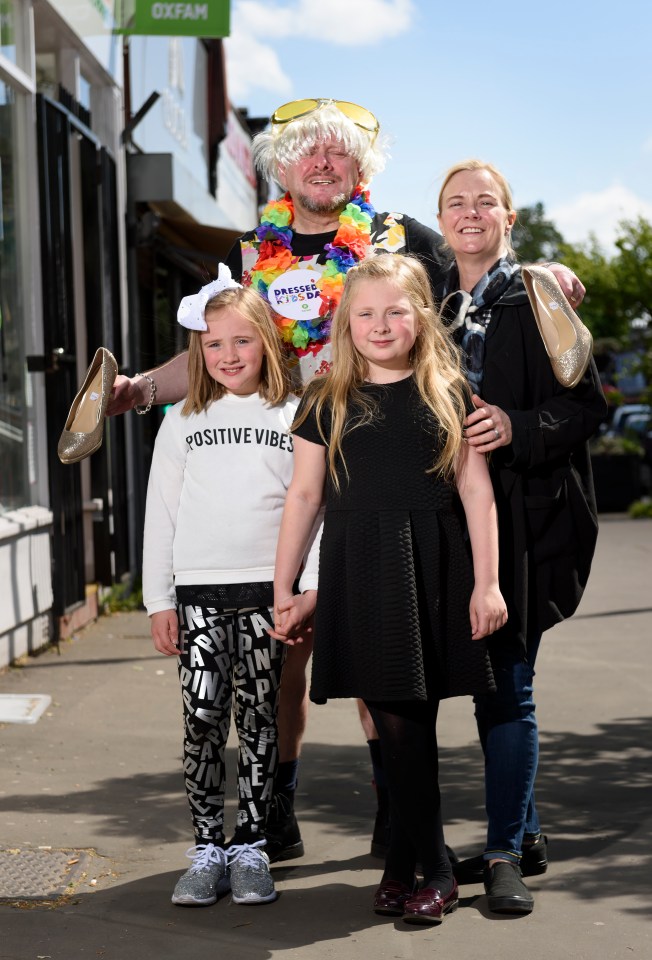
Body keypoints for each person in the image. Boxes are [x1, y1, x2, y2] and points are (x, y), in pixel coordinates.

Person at [108, 98, 585, 863]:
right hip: (288, 468)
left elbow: (477, 264)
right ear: (282, 168)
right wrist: (140, 389)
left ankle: (394, 816)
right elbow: (212, 351)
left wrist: (542, 272)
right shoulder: (248, 250)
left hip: (385, 467)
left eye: (338, 154)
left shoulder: (398, 237)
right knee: (284, 655)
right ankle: (280, 810)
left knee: (381, 654)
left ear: (361, 169)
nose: (323, 164)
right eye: (308, 153)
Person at [270, 252, 507, 924]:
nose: (380, 325)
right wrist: (283, 583)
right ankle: (422, 863)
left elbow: (476, 492)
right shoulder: (326, 399)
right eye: (366, 314)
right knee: (395, 721)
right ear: (347, 324)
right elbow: (305, 495)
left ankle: (418, 865)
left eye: (395, 312)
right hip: (360, 568)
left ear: (421, 318)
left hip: (433, 564)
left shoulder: (448, 391)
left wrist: (486, 585)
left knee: (413, 723)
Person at [433, 159, 607, 914]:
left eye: (485, 202)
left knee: (506, 687)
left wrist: (517, 425)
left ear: (509, 217)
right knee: (487, 685)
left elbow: (587, 408)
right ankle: (525, 833)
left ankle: (504, 850)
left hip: (528, 520)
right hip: (452, 519)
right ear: (439, 221)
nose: (470, 213)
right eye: (455, 203)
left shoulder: (538, 298)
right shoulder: (432, 308)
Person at [142, 265, 320, 907]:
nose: (227, 355)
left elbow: (317, 505)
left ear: (268, 342)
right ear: (198, 350)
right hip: (197, 596)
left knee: (259, 718)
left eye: (242, 341)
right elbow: (160, 511)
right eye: (214, 344)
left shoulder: (295, 411)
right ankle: (207, 847)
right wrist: (159, 598)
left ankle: (251, 846)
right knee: (201, 719)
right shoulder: (182, 418)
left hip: (267, 594)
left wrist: (309, 587)